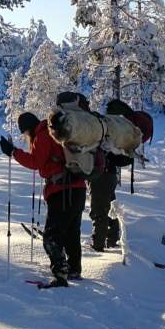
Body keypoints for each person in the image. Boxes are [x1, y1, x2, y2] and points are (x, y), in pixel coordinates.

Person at [1, 111, 86, 287]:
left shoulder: (43, 135)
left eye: (25, 133)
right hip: (77, 188)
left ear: (29, 129)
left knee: (51, 236)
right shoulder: (53, 131)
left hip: (62, 191)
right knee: (71, 232)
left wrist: (13, 152)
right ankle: (73, 270)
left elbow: (35, 162)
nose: (26, 137)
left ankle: (60, 274)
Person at [54, 91, 129, 251]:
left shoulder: (85, 123)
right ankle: (112, 239)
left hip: (100, 174)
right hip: (108, 172)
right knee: (108, 207)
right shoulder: (95, 120)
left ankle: (98, 245)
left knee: (98, 210)